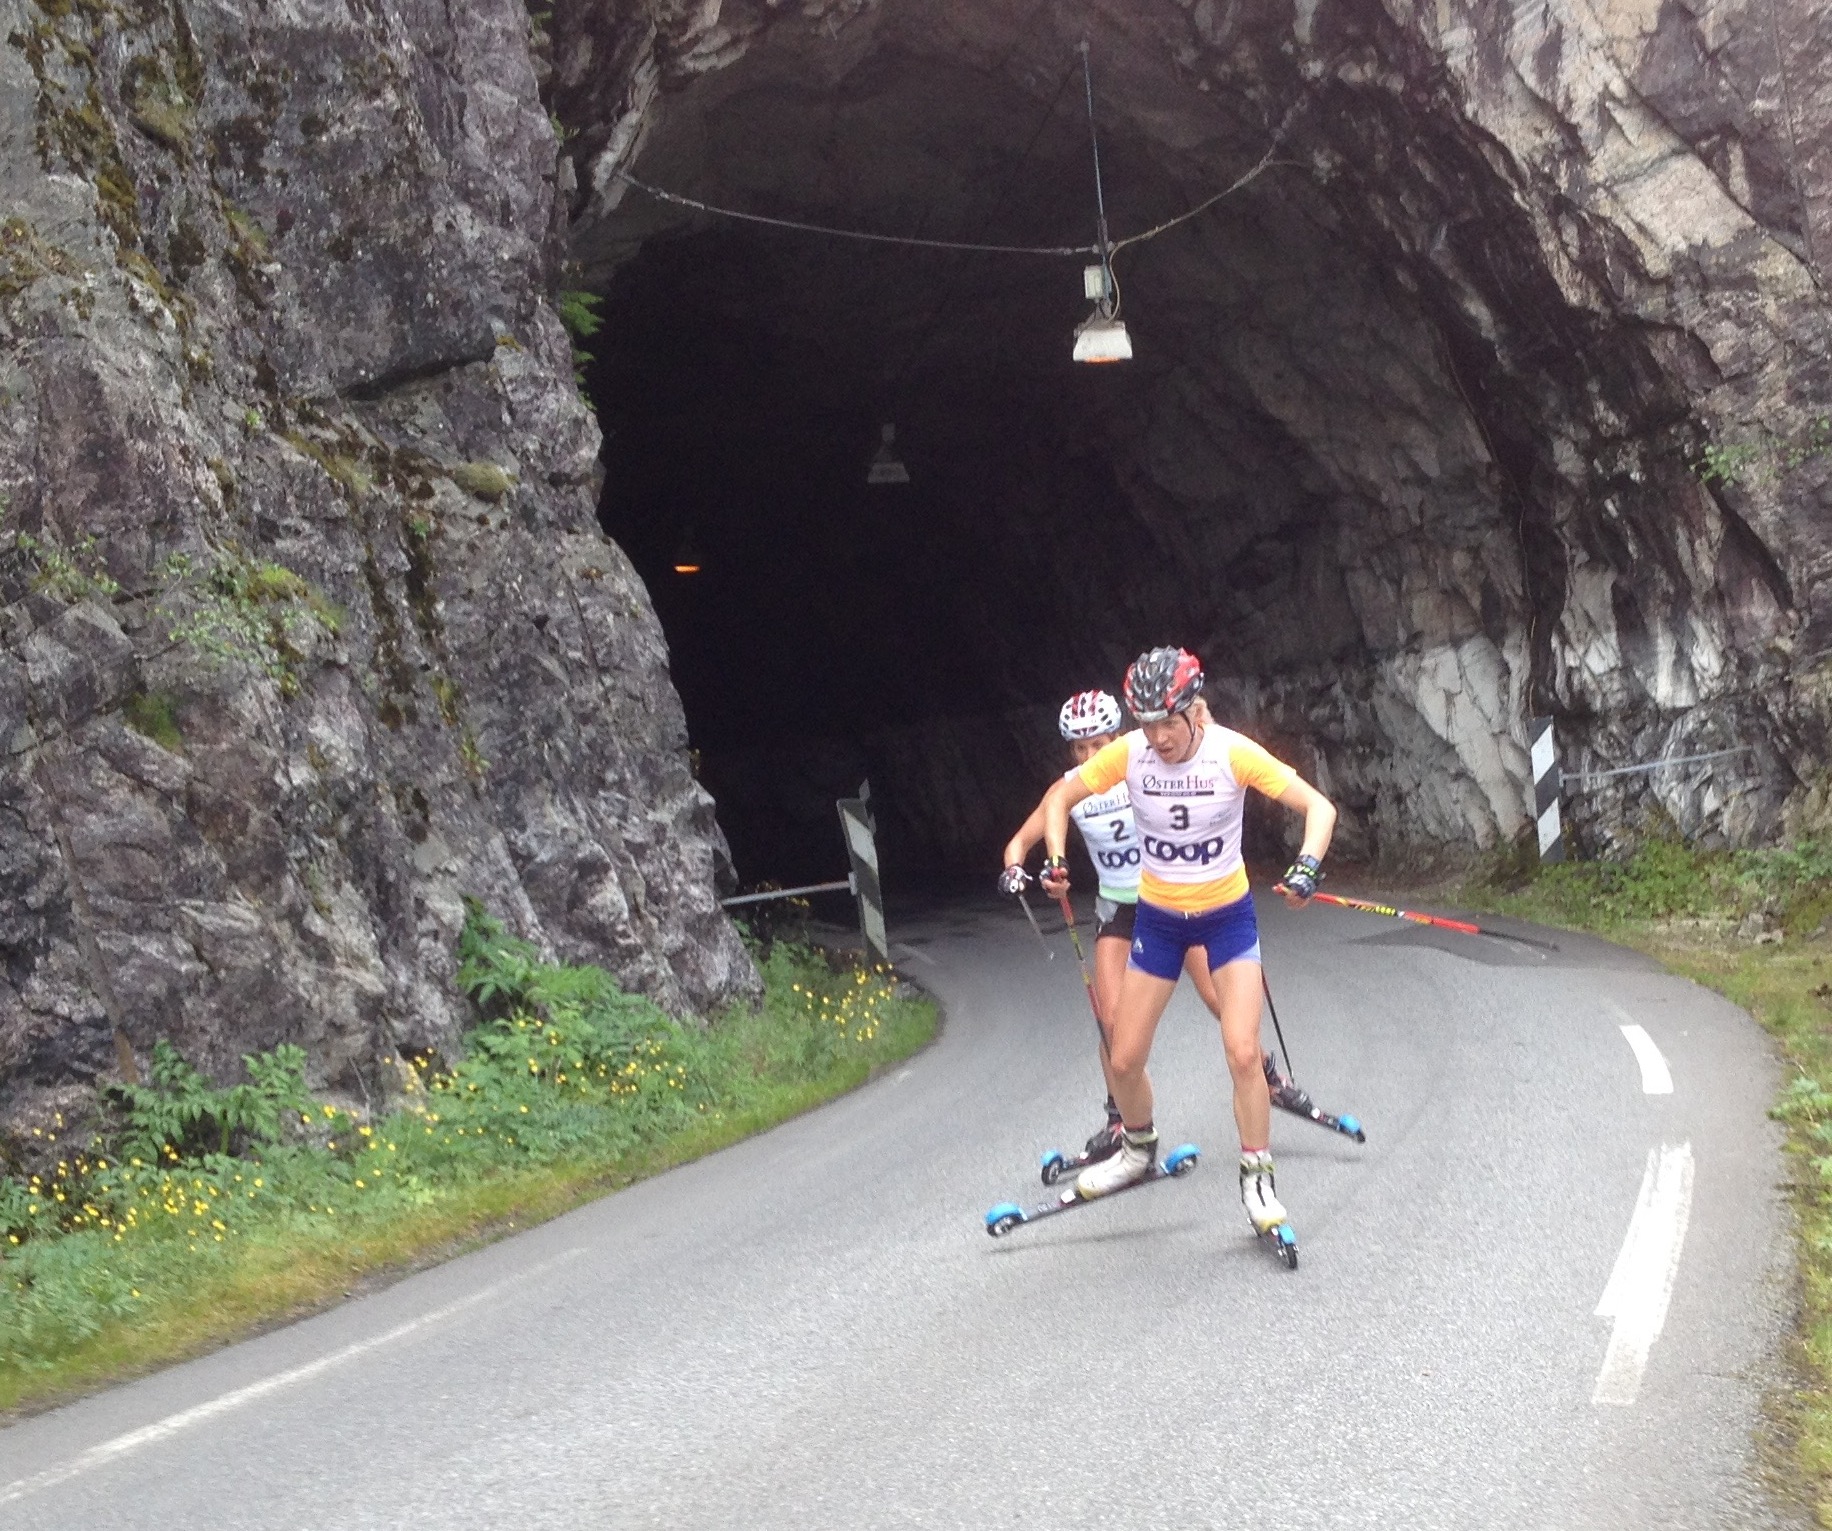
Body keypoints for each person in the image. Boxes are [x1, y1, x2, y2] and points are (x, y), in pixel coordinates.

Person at [1039, 647, 1337, 1238]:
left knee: (1242, 1051)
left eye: (1167, 723)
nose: (1157, 737)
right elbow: (1060, 798)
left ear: (1193, 712)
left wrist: (1307, 867)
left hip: (1226, 920)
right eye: (1146, 724)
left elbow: (1318, 808)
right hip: (1160, 922)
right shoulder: (1130, 753)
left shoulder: (1231, 752)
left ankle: (1258, 1176)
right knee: (1122, 1057)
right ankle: (1139, 1148)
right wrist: (1053, 859)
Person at [1000, 691, 1225, 1168]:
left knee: (1219, 996)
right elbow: (1019, 842)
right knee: (1111, 1023)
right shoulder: (1070, 789)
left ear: (1117, 737)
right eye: (1078, 749)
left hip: (1169, 901)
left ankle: (1266, 1076)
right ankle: (1122, 1121)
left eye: (1097, 745)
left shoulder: (1141, 767)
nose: (1088, 757)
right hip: (1117, 911)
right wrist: (1018, 870)